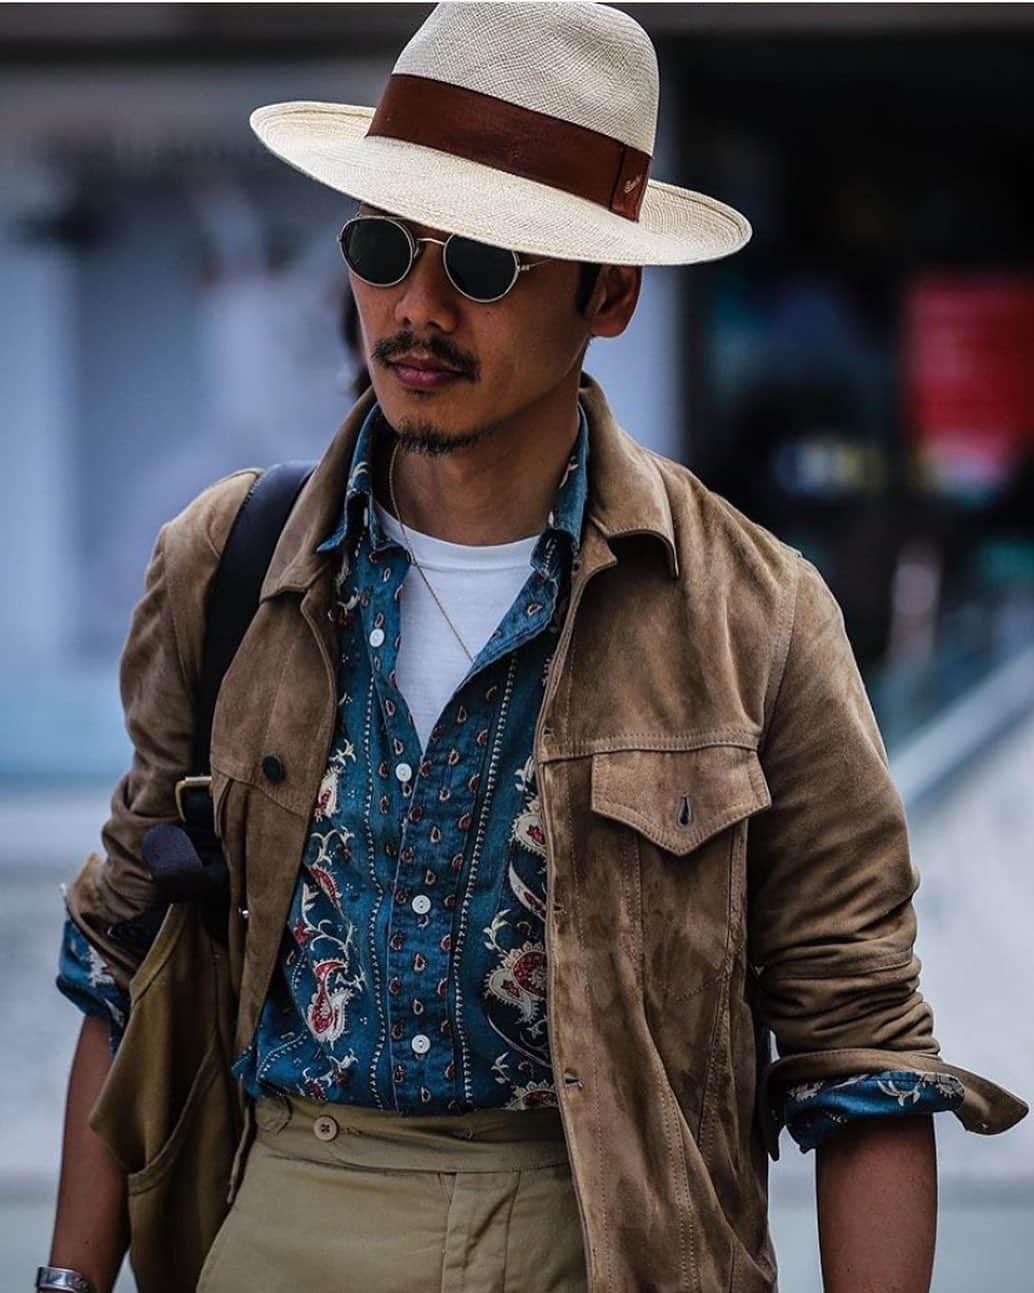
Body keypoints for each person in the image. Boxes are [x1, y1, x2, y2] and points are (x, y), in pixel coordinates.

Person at [44, 4, 1028, 1293]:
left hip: (612, 1234)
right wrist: (66, 1282)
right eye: (383, 247)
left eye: (488, 264)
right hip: (287, 1213)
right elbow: (126, 960)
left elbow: (863, 1050)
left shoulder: (754, 612)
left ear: (609, 291)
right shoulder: (226, 565)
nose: (418, 306)